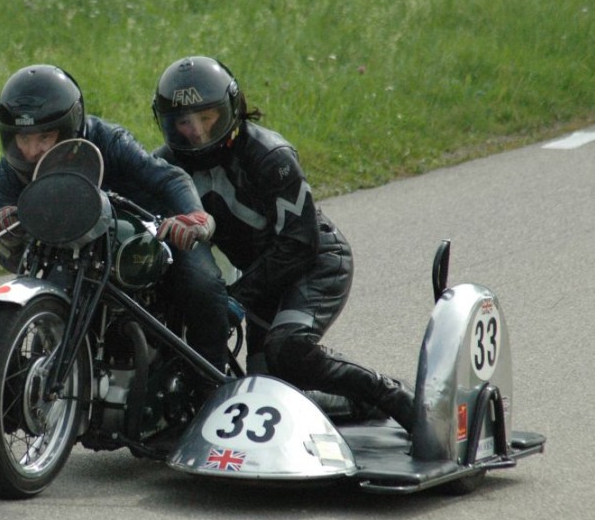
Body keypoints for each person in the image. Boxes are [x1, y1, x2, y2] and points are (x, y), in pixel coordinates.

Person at [151, 56, 415, 432]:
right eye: (183, 122)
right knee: (270, 395)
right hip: (261, 279)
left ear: (232, 110)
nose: (196, 133)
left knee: (288, 350)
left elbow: (300, 242)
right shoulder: (165, 165)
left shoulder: (271, 158)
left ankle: (392, 394)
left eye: (206, 119)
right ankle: (361, 404)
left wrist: (237, 297)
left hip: (317, 263)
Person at [0, 64, 230, 372]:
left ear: (69, 126)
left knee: (202, 283)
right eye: (23, 139)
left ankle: (211, 387)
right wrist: (7, 227)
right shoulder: (11, 170)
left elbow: (170, 178)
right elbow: (12, 256)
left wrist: (194, 217)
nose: (32, 150)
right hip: (71, 251)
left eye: (44, 137)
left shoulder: (108, 139)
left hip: (146, 233)